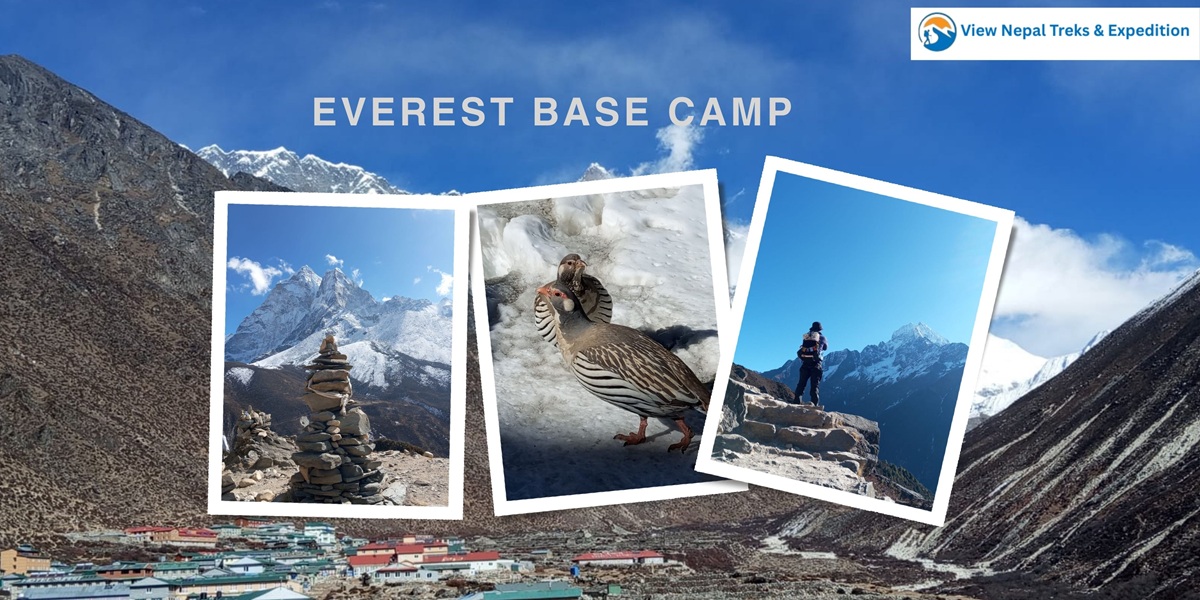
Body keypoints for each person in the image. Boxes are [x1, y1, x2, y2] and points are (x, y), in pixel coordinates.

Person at [794, 321, 828, 407]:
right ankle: (815, 405)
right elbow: (825, 348)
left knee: (801, 383)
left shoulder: (807, 337)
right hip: (816, 364)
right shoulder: (822, 337)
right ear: (820, 329)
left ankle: (796, 402)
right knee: (814, 386)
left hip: (805, 363)